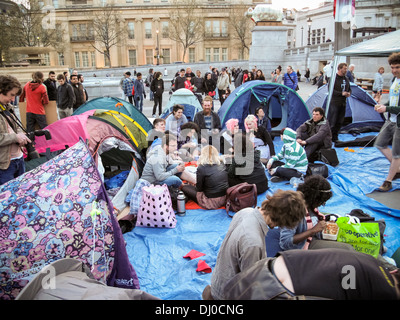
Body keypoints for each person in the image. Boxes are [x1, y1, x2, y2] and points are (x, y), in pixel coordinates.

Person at [206, 190, 307, 300]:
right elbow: (249, 287)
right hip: (227, 295)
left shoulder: (246, 211)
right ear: (283, 220)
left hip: (218, 283)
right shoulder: (253, 243)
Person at [221, 248, 400, 300]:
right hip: (279, 292)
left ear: (394, 270)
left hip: (266, 266)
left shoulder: (371, 261)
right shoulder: (390, 293)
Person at [265, 175, 331, 257]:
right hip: (299, 247)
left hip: (309, 238)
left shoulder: (309, 204)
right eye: (322, 201)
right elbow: (285, 242)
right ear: (316, 198)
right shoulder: (295, 210)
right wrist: (313, 230)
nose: (322, 204)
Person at [374, 52, 400, 192]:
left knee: (397, 153)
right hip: (391, 119)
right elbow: (394, 99)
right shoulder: (394, 80)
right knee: (379, 144)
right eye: (392, 67)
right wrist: (382, 105)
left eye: (397, 67)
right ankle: (397, 169)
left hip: (399, 123)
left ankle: (388, 180)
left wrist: (386, 108)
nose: (394, 70)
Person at [0, 75, 31, 185]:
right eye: (11, 95)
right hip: (4, 165)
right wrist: (15, 137)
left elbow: (16, 127)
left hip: (19, 159)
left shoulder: (7, 107)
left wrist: (20, 134)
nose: (13, 100)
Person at [181, 145, 228, 210]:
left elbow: (199, 189)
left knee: (184, 187)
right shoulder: (221, 164)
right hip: (224, 198)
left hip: (211, 201)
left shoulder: (202, 167)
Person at [327, 62, 351, 142]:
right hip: (334, 103)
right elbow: (330, 91)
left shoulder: (346, 78)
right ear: (340, 69)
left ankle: (335, 137)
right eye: (344, 68)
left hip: (343, 103)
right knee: (333, 121)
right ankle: (329, 138)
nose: (346, 70)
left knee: (340, 121)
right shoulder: (333, 78)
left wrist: (349, 93)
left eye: (346, 68)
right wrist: (341, 93)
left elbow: (349, 88)